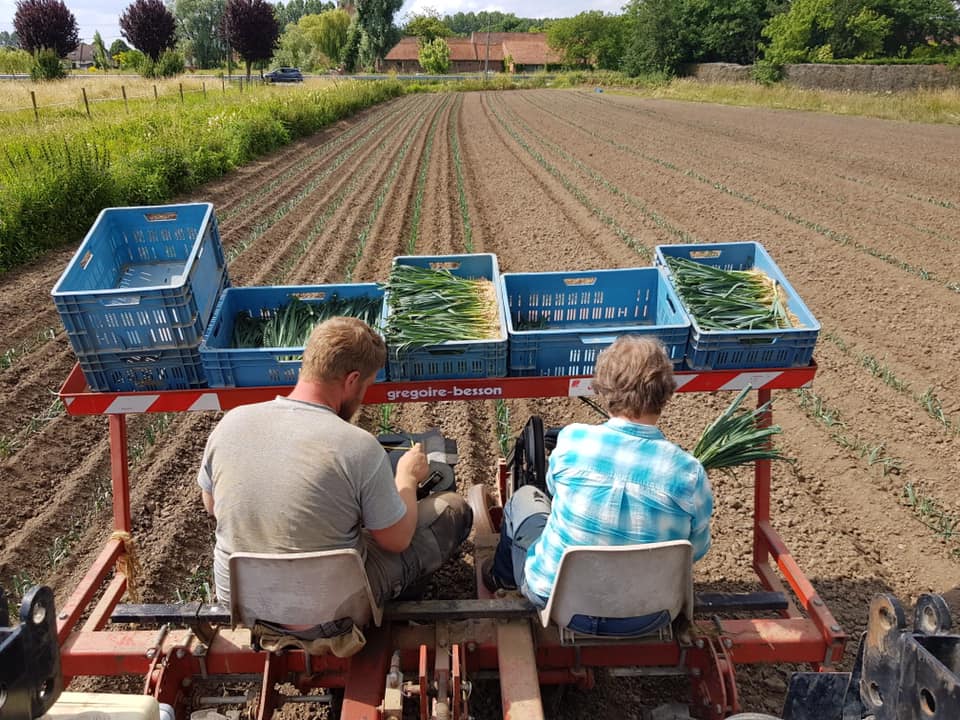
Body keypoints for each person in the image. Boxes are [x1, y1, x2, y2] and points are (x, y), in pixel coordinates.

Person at [198, 316, 473, 608]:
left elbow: (213, 505)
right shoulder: (356, 446)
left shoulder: (232, 422)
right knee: (451, 510)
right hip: (328, 612)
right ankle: (401, 597)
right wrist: (406, 477)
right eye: (365, 386)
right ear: (352, 379)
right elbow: (396, 541)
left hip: (241, 603)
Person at [484, 336, 713, 636]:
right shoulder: (689, 473)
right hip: (650, 613)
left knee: (526, 497)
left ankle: (501, 578)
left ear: (604, 390)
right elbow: (695, 551)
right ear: (666, 394)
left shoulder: (574, 442)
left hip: (561, 604)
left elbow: (552, 491)